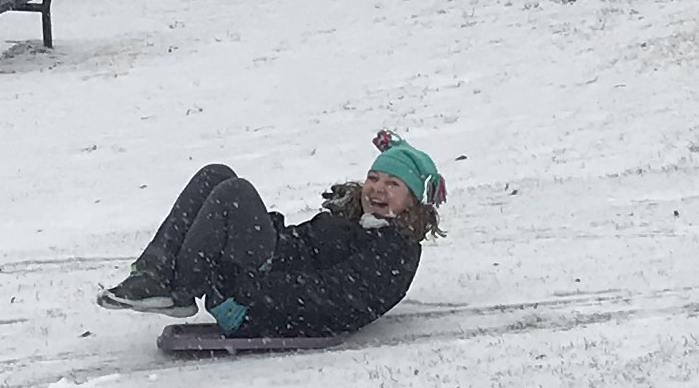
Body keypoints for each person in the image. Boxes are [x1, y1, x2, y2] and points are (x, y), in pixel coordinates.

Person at [101, 132, 446, 335]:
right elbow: (303, 246)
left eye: (392, 184)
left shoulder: (394, 250)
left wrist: (254, 290)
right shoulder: (353, 220)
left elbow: (339, 297)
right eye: (374, 179)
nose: (377, 189)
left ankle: (180, 290)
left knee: (235, 193)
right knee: (215, 175)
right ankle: (151, 274)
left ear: (413, 200)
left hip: (257, 305)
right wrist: (268, 231)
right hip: (257, 279)